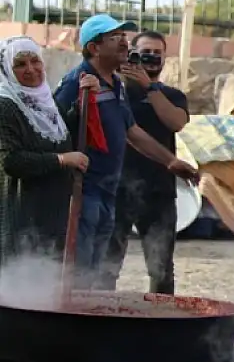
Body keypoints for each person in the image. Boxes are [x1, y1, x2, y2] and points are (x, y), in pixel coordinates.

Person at [54, 15, 194, 288]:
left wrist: (171, 161)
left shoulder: (114, 85)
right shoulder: (77, 82)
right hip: (87, 190)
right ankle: (75, 323)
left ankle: (98, 321)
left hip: (112, 189)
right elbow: (54, 129)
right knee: (84, 268)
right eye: (116, 38)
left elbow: (133, 132)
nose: (124, 43)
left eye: (124, 36)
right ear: (94, 48)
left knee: (99, 267)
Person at [105, 30, 190, 294]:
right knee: (106, 267)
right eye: (145, 53)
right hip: (116, 190)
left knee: (161, 269)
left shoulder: (172, 95)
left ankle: (161, 326)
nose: (152, 59)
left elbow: (176, 122)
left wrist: (149, 87)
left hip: (159, 192)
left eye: (157, 53)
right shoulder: (114, 92)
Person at [0, 37, 86, 262]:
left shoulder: (46, 102)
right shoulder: (5, 106)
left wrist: (83, 105)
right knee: (18, 289)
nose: (31, 69)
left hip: (51, 215)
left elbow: (62, 139)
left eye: (34, 61)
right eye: (20, 64)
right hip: (21, 216)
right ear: (7, 69)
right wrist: (61, 160)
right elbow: (10, 161)